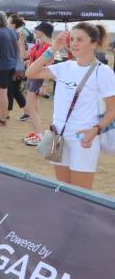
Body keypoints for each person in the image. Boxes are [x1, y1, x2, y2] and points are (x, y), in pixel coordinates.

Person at [25, 22, 115, 190]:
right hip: (59, 135)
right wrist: (53, 48)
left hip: (84, 138)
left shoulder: (102, 71)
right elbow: (30, 73)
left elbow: (112, 109)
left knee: (80, 194)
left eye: (80, 40)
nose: (74, 44)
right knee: (64, 190)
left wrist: (95, 130)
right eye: (72, 39)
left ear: (94, 43)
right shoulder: (64, 67)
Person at [22, 22, 53, 146]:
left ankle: (39, 135)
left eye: (37, 30)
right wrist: (20, 42)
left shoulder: (49, 47)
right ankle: (38, 133)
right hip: (32, 77)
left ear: (43, 31)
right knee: (34, 108)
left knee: (30, 108)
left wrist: (44, 86)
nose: (35, 31)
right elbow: (24, 55)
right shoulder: (38, 44)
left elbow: (49, 67)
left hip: (39, 79)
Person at [8, 15, 29, 120]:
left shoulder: (17, 35)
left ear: (13, 24)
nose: (6, 22)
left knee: (9, 90)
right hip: (17, 67)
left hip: (15, 68)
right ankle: (27, 112)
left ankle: (6, 113)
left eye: (8, 21)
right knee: (15, 90)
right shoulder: (15, 34)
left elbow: (22, 54)